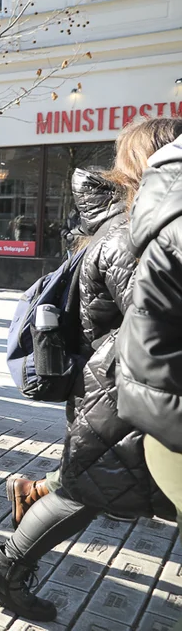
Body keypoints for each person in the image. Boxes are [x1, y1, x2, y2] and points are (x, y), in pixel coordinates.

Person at [0, 117, 181, 622]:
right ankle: (5, 569)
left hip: (118, 388)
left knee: (84, 487)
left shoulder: (123, 227)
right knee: (84, 489)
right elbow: (155, 320)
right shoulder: (133, 234)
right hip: (122, 391)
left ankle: (8, 561)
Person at [118, 129, 182, 524]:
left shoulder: (145, 221)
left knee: (77, 485)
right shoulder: (122, 233)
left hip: (143, 400)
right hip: (142, 395)